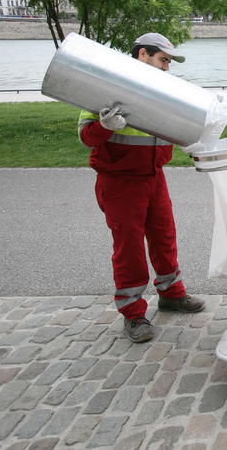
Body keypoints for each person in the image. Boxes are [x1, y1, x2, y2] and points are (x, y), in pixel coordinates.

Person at [79, 32, 205, 343]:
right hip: (119, 181)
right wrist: (102, 126)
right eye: (163, 60)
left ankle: (171, 294)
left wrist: (192, 140)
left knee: (164, 236)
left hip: (154, 177)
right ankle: (133, 313)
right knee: (129, 248)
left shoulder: (162, 89)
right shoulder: (107, 85)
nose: (167, 68)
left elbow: (171, 128)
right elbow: (85, 135)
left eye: (169, 63)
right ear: (142, 54)